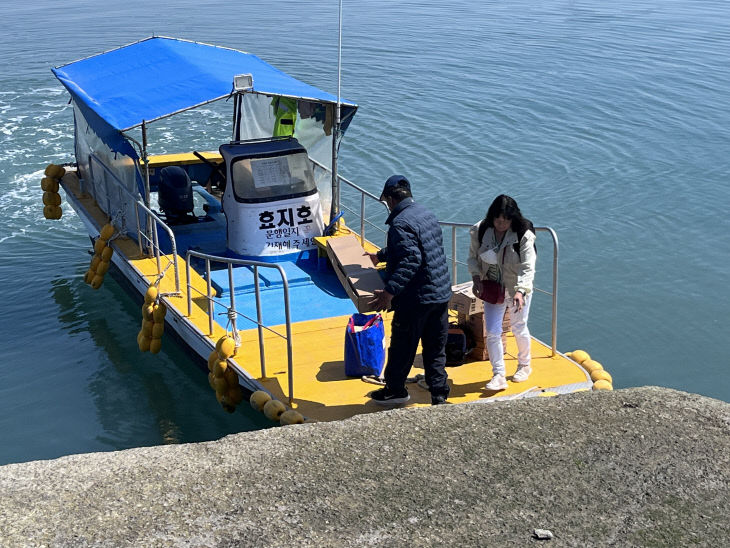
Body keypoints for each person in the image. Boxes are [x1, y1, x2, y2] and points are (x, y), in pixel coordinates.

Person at [366, 175, 452, 406]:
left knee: (403, 346)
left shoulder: (400, 223)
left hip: (416, 298)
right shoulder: (426, 214)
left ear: (391, 200)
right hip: (441, 292)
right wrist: (382, 255)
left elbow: (411, 258)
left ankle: (395, 390)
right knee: (435, 348)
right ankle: (439, 394)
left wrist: (389, 293)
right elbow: (420, 246)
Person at [467, 195, 536, 391]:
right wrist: (476, 278)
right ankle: (498, 374)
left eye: (506, 220)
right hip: (492, 287)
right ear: (492, 217)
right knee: (492, 331)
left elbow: (528, 267)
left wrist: (521, 291)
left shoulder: (523, 234)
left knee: (518, 326)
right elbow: (472, 257)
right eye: (498, 220)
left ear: (513, 218)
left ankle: (524, 365)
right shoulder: (480, 230)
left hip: (517, 288)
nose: (501, 224)